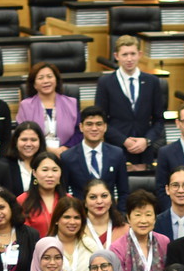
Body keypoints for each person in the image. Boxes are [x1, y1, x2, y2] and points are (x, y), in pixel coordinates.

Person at [92, 36, 166, 164]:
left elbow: (159, 120)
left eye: (133, 54)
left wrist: (146, 140)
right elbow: (100, 121)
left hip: (145, 149)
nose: (129, 59)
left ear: (140, 54)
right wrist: (124, 141)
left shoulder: (152, 82)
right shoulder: (105, 83)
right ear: (116, 56)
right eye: (125, 54)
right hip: (116, 148)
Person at [60, 106, 129, 207]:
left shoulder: (117, 154)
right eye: (89, 124)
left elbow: (123, 191)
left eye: (99, 124)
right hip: (80, 215)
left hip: (110, 214)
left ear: (105, 127)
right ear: (81, 127)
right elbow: (63, 193)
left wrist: (121, 216)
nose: (94, 128)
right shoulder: (67, 157)